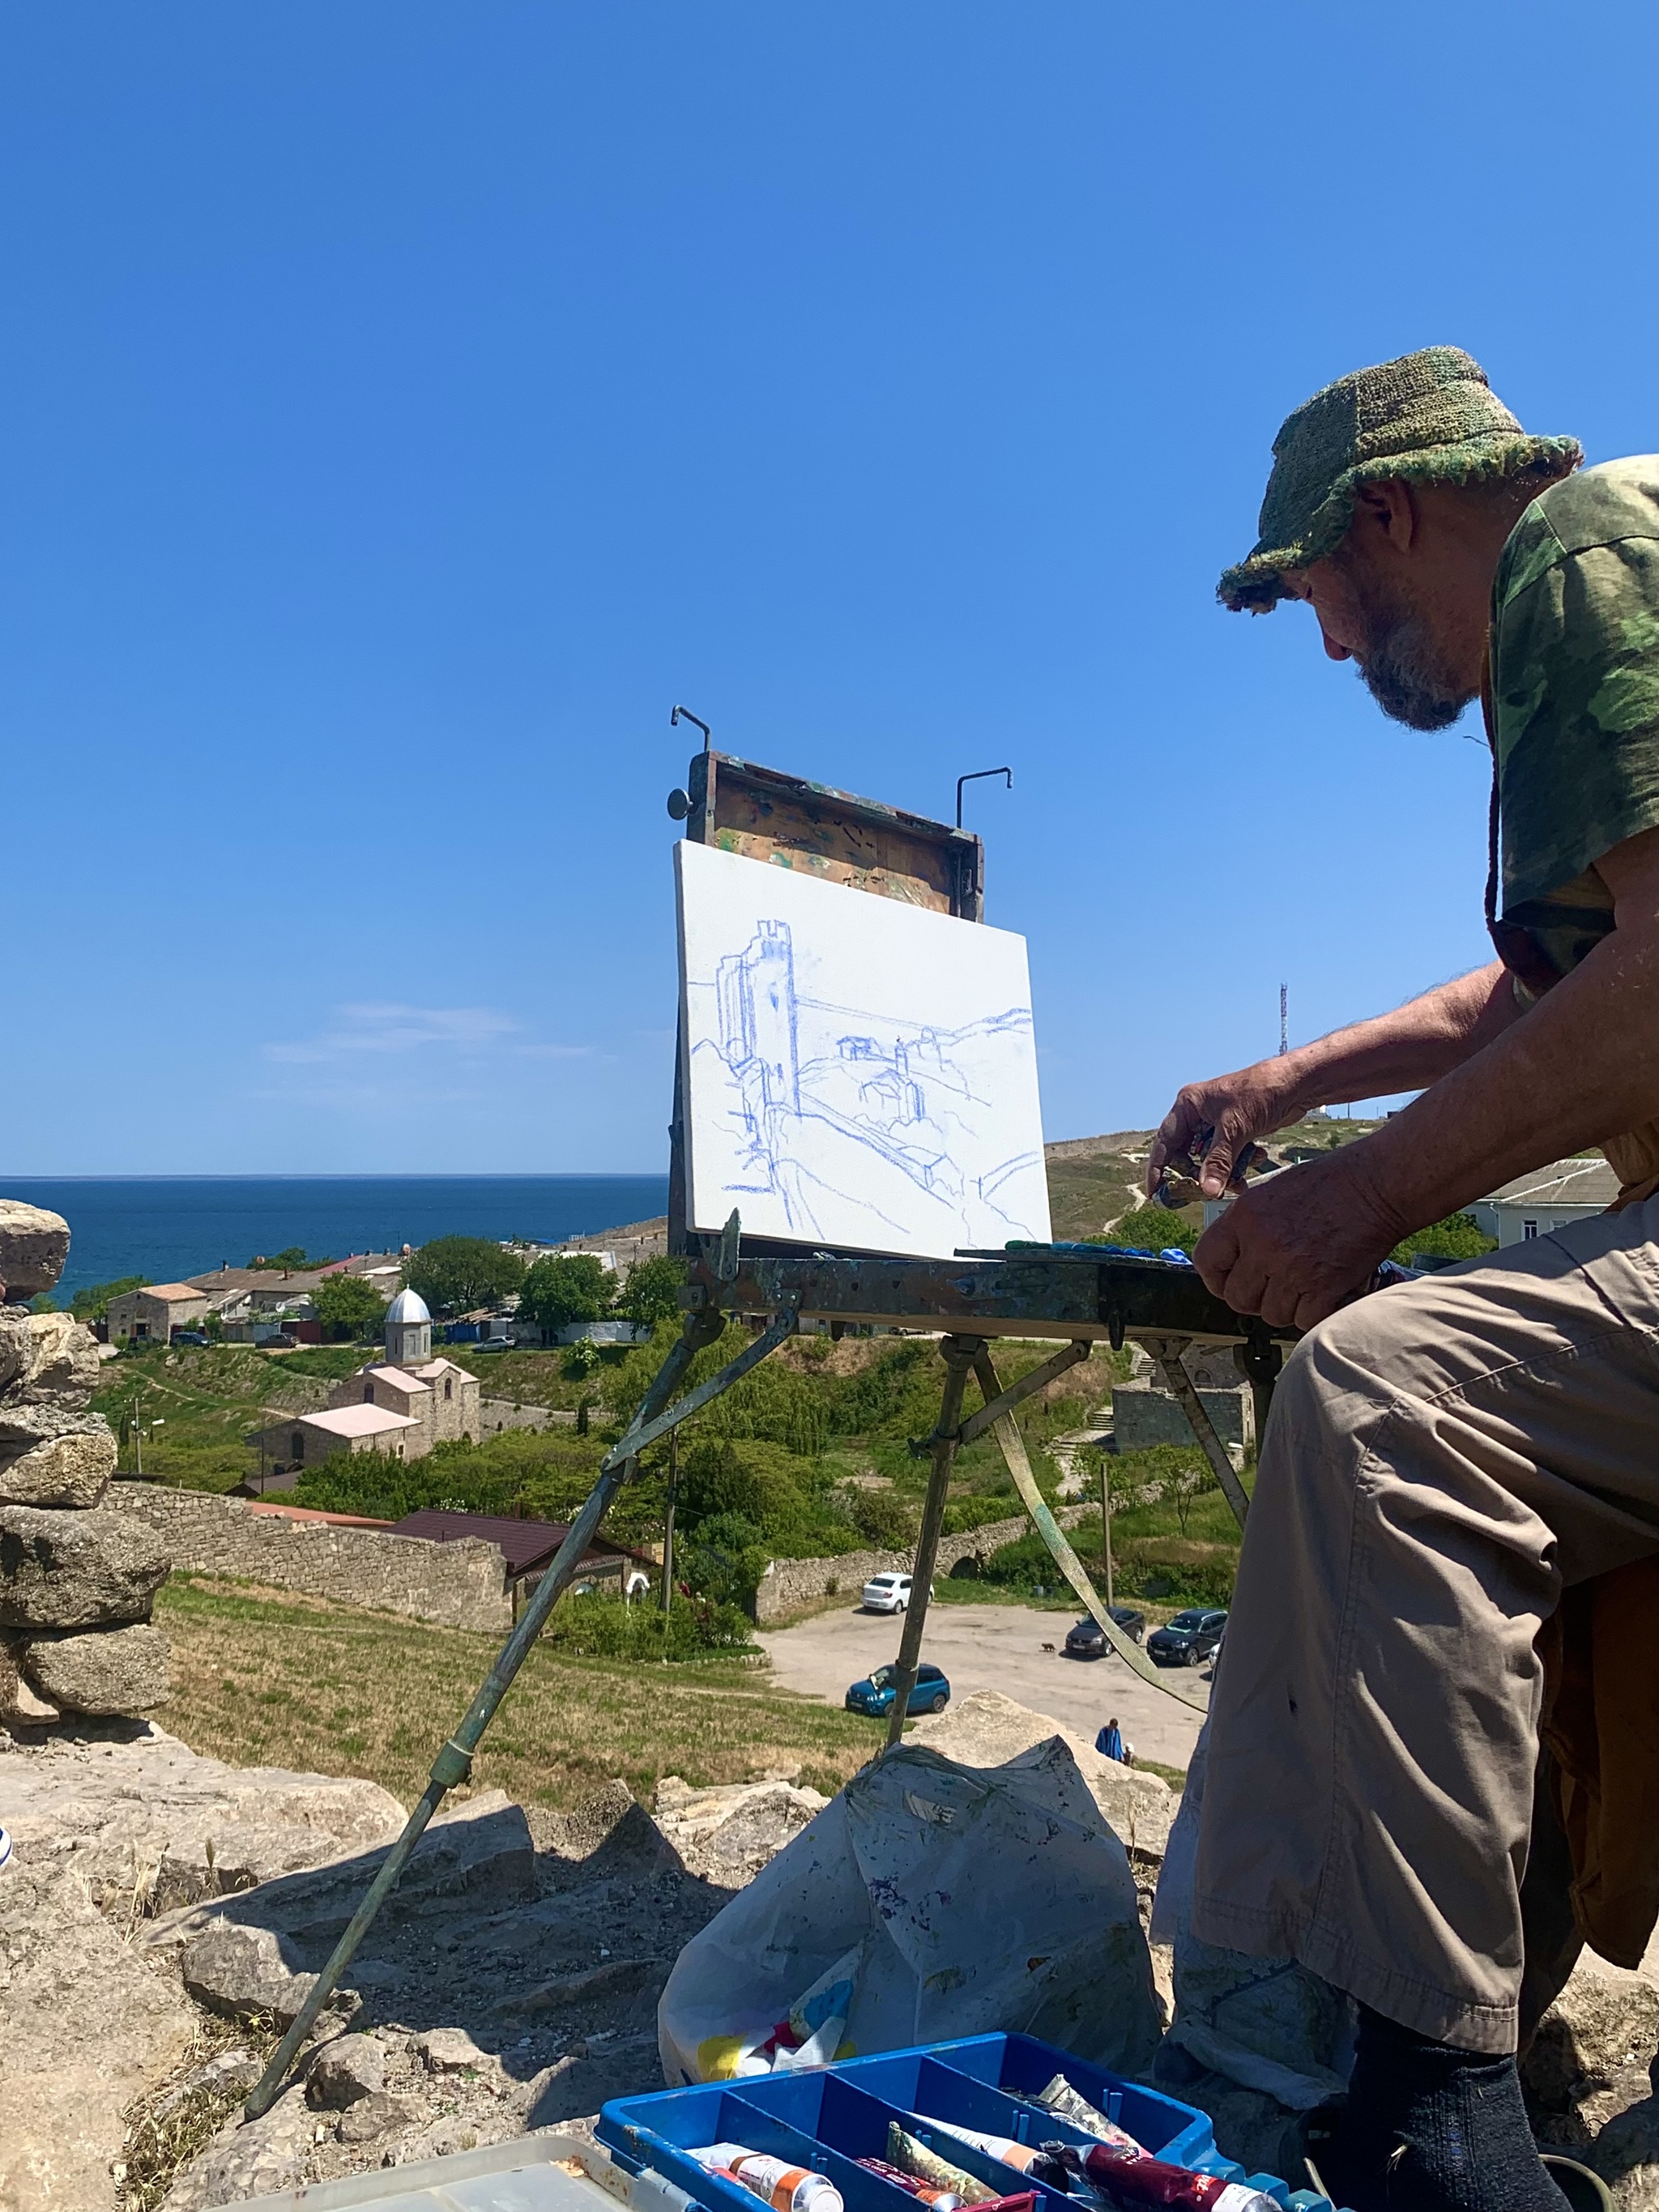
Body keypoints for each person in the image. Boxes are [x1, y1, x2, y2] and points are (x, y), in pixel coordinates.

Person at [1147, 348, 1657, 2212]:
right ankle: (1454, 2020)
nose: (1334, 649)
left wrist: (1349, 1202)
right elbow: (1558, 984)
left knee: (1388, 1395)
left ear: (1386, 516)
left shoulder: (1581, 552)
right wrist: (1305, 1081)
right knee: (1423, 1369)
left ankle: (1434, 2113)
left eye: (1323, 601)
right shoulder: (1597, 590)